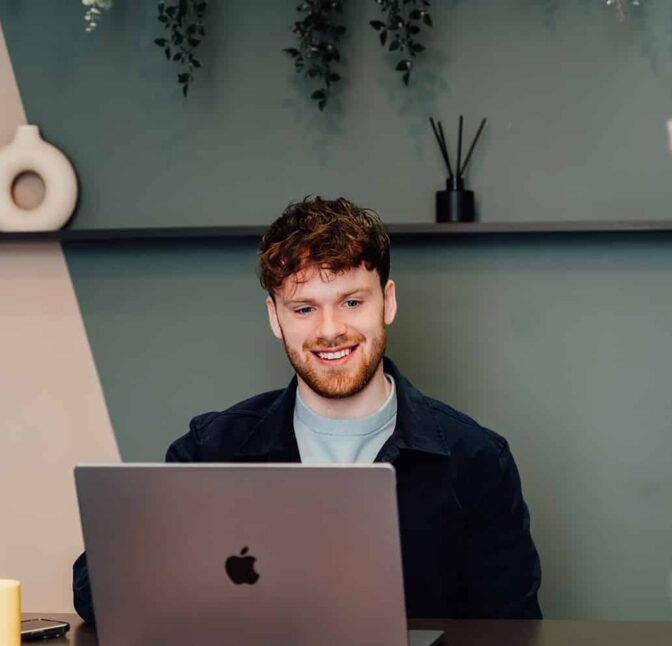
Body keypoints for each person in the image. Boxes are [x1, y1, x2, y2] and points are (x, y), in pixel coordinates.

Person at [73, 196, 542, 624]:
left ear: (388, 302)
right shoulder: (213, 448)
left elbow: (514, 641)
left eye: (352, 301)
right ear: (275, 317)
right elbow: (97, 594)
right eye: (303, 309)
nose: (330, 330)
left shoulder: (477, 459)